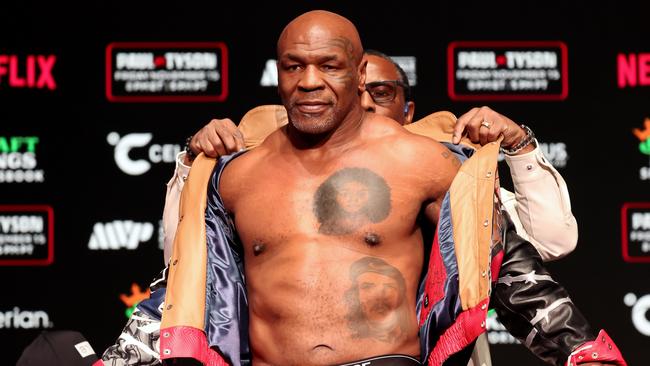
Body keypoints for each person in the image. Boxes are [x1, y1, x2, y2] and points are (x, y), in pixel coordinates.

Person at [101, 10, 626, 366]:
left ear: (358, 73)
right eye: (293, 67)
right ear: (277, 73)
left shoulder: (426, 162)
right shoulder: (237, 172)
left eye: (329, 66)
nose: (309, 81)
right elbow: (188, 282)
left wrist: (584, 354)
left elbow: (514, 274)